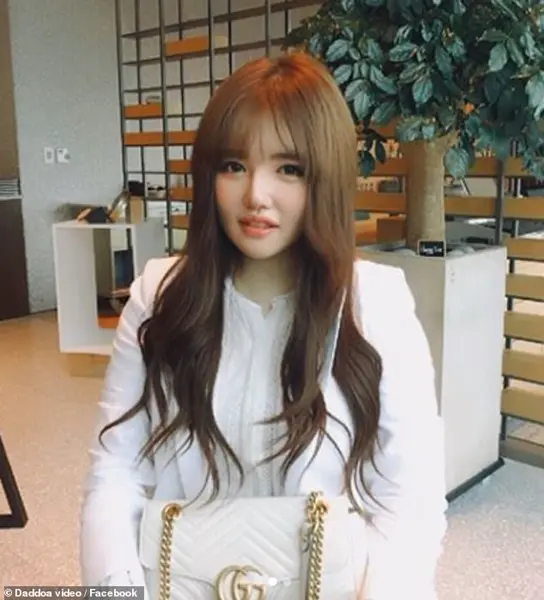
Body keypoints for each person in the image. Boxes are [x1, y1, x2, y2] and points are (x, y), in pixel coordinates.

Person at [79, 51, 447, 599]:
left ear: (324, 178)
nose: (256, 194)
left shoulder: (374, 303)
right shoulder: (160, 295)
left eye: (288, 169)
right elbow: (116, 470)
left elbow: (409, 497)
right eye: (233, 165)